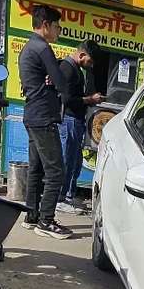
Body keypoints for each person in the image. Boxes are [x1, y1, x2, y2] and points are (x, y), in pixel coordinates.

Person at [18, 4, 71, 239]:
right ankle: (46, 221)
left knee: (37, 168)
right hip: (43, 117)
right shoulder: (43, 48)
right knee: (56, 172)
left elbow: (47, 79)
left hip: (31, 115)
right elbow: (61, 83)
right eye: (57, 26)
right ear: (46, 25)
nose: (59, 31)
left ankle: (31, 216)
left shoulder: (28, 48)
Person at [57, 41, 103, 214]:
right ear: (82, 55)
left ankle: (69, 194)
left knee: (75, 161)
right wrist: (90, 99)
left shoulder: (76, 70)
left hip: (76, 120)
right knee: (67, 160)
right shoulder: (68, 69)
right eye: (90, 61)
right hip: (68, 119)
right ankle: (61, 198)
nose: (90, 66)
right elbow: (67, 99)